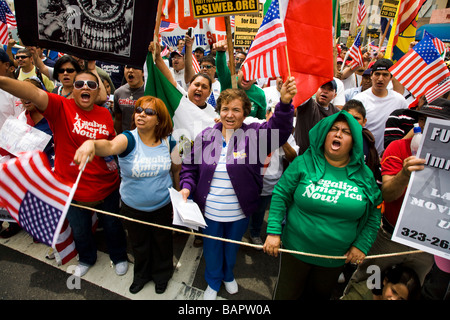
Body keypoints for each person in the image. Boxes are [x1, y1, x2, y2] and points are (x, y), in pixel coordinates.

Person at [0, 70, 129, 277]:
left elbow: (110, 143)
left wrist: (96, 146)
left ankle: (119, 256)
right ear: (73, 91)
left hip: (107, 187)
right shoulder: (60, 107)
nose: (85, 87)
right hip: (72, 190)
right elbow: (32, 93)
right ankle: (86, 258)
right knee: (80, 230)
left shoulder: (105, 113)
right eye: (79, 84)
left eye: (91, 84)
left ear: (98, 91)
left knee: (113, 226)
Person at [179, 78, 297, 300]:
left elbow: (279, 130)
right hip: (210, 211)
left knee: (231, 249)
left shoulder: (254, 135)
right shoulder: (205, 136)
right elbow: (189, 167)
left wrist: (284, 103)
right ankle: (213, 281)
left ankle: (228, 275)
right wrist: (186, 188)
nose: (230, 115)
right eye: (225, 109)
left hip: (239, 212)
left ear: (245, 113)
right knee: (212, 249)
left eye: (236, 110)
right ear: (219, 111)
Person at [264, 111, 382, 300]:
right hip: (295, 251)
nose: (338, 134)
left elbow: (375, 212)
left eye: (346, 131)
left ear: (354, 142)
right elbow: (280, 194)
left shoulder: (365, 174)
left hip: (334, 259)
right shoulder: (304, 162)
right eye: (333, 129)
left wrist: (362, 245)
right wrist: (273, 232)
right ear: (324, 134)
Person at [74, 95, 181, 295]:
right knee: (139, 245)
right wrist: (92, 144)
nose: (141, 115)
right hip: (133, 208)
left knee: (163, 244)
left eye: (149, 112)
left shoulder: (170, 142)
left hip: (163, 206)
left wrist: (177, 201)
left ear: (159, 119)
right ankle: (141, 276)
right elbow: (110, 146)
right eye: (139, 110)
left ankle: (162, 276)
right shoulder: (127, 138)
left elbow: (176, 170)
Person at [342, 104, 447, 298]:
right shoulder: (399, 148)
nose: (430, 126)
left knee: (403, 292)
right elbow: (388, 194)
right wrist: (405, 174)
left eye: (440, 123)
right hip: (390, 238)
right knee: (369, 286)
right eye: (424, 119)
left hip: (426, 248)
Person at [249, 104, 299, 248]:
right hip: (251, 181)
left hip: (271, 184)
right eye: (275, 117)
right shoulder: (255, 126)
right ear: (267, 115)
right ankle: (247, 232)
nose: (278, 121)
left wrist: (281, 138)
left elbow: (293, 157)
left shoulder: (287, 135)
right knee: (247, 210)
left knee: (264, 211)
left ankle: (257, 233)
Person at [352, 58, 408, 156]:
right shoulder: (359, 100)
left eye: (385, 74)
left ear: (391, 78)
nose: (380, 78)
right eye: (377, 74)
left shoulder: (400, 100)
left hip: (389, 157)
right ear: (371, 76)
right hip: (363, 155)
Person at [214, 40, 266, 120]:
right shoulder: (229, 80)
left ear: (256, 78)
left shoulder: (260, 94)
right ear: (238, 72)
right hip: (226, 129)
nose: (248, 75)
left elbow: (261, 121)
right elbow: (221, 69)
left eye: (252, 72)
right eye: (245, 70)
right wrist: (220, 53)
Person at [294, 80, 341, 155]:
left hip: (323, 160)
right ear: (316, 89)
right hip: (302, 159)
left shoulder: (336, 113)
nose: (325, 91)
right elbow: (302, 91)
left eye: (330, 89)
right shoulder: (308, 105)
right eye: (322, 87)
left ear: (334, 95)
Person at [342, 99, 382, 187]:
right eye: (349, 117)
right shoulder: (332, 139)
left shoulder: (368, 141)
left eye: (357, 118)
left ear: (364, 122)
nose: (353, 121)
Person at [340, 264, 421, 300]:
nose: (394, 299)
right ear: (385, 281)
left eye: (401, 299)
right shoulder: (361, 294)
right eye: (393, 291)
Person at [184, 33, 221, 107]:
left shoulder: (220, 85)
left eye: (208, 66)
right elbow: (188, 68)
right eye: (202, 67)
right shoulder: (195, 80)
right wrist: (188, 47)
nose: (204, 69)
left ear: (215, 68)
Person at [113, 65, 145, 133]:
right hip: (126, 138)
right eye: (128, 67)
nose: (130, 70)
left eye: (135, 67)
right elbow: (118, 119)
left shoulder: (150, 92)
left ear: (143, 73)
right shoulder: (118, 93)